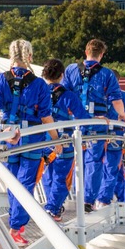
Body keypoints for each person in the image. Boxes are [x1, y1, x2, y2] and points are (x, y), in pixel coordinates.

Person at [0, 39, 57, 247]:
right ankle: (16, 228)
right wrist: (56, 139)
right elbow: (45, 117)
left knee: (12, 180)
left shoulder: (0, 80)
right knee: (25, 183)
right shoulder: (39, 85)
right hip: (31, 138)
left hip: (8, 137)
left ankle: (15, 223)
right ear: (30, 57)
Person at [63, 39, 125, 212]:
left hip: (75, 120)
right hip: (96, 122)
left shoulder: (71, 69)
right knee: (94, 160)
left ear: (86, 51)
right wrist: (122, 115)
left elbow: (63, 93)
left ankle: (67, 197)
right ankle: (87, 199)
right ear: (102, 54)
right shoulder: (107, 74)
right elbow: (116, 99)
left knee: (73, 156)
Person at [40, 58, 86, 221]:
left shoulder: (38, 92)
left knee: (48, 175)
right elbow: (83, 118)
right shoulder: (69, 96)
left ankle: (52, 206)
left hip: (43, 142)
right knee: (62, 177)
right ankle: (53, 208)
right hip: (64, 142)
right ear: (62, 75)